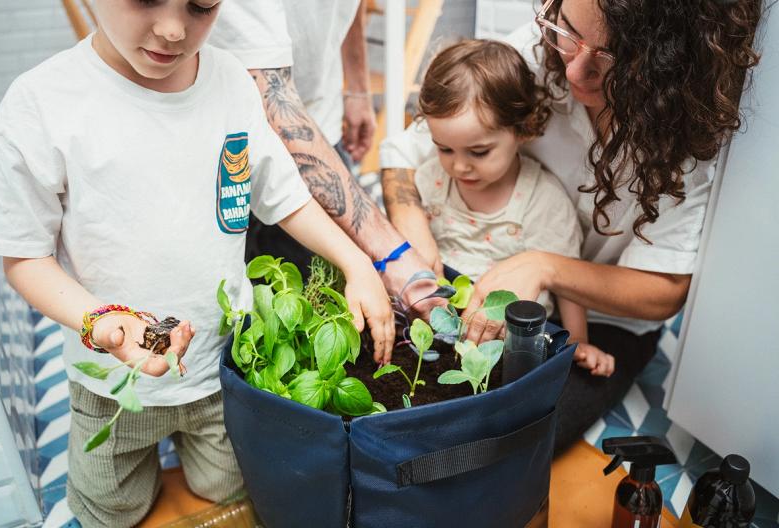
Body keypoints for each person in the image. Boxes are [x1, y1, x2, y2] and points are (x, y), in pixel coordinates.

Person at [0, 1, 394, 525]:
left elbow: (284, 195)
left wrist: (356, 261)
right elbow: (25, 257)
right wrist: (100, 321)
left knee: (229, 493)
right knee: (109, 510)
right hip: (112, 388)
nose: (175, 29)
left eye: (202, 5)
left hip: (220, 374)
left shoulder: (228, 80)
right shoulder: (41, 104)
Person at [380, 0, 761, 451]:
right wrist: (414, 236)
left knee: (508, 441)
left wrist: (546, 268)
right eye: (567, 34)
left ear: (669, 69)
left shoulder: (691, 134)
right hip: (488, 281)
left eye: (613, 61)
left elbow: (665, 290)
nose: (576, 73)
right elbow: (405, 155)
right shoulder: (533, 57)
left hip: (604, 320)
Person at [209, 0, 442, 317]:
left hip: (321, 116)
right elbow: (271, 98)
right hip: (236, 147)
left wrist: (357, 87)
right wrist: (392, 254)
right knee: (259, 307)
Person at [408, 39, 614, 376]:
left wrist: (578, 341)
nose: (459, 167)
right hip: (438, 322)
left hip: (510, 340)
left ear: (522, 130)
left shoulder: (543, 201)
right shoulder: (432, 177)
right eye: (444, 149)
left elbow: (568, 283)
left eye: (478, 152)